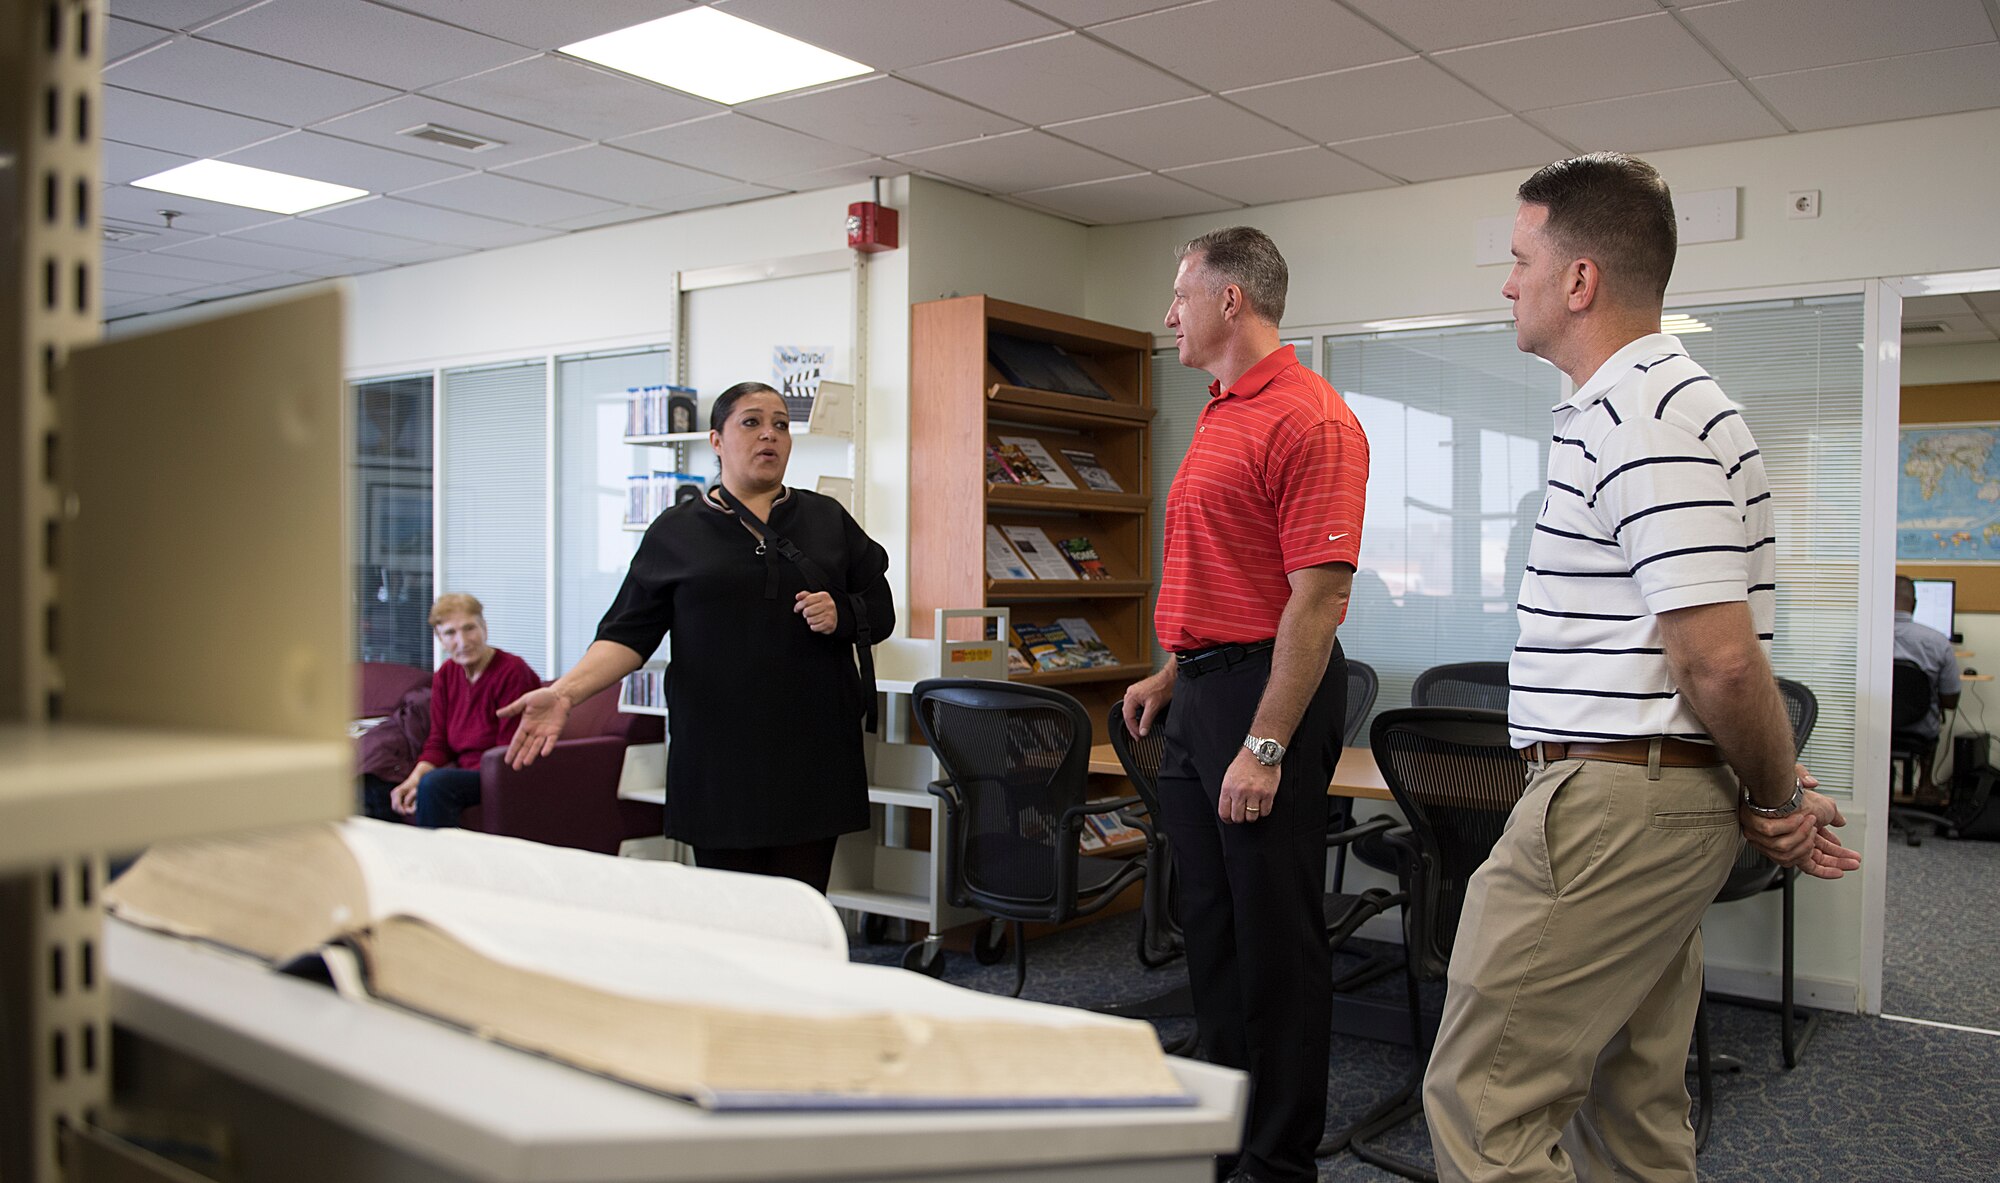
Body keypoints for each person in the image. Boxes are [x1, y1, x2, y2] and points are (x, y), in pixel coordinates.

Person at [1421, 152, 1863, 1182]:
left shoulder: (1641, 416)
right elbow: (1693, 662)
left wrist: (1773, 791)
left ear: (1578, 280)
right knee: (1629, 1107)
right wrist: (1771, 787)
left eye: (1519, 258)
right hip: (1642, 797)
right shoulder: (1642, 408)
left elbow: (1715, 660)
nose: (1505, 281)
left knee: (1481, 1108)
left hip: (1609, 808)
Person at [1121, 226, 1368, 1183]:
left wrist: (1264, 746)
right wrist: (1173, 669)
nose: (1169, 314)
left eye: (1180, 294)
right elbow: (1235, 574)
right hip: (1206, 691)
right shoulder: (1221, 409)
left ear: (1232, 301)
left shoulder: (1312, 418)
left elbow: (1315, 599)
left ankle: (1278, 1160)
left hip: (1267, 700)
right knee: (1211, 928)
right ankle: (1221, 1135)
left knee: (1277, 941)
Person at [501, 382, 893, 893]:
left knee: (802, 907)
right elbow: (627, 633)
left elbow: (878, 610)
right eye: (751, 422)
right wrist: (564, 693)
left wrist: (841, 611)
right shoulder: (675, 532)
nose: (769, 434)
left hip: (812, 753)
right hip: (718, 760)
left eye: (780, 424)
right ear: (716, 440)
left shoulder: (826, 519)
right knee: (731, 914)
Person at [389, 594, 541, 828]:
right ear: (440, 638)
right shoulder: (446, 675)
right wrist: (413, 780)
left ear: (484, 628)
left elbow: (509, 751)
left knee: (435, 784)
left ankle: (441, 862)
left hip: (503, 772)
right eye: (450, 633)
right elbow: (438, 744)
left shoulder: (513, 671)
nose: (462, 641)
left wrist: (428, 780)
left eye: (470, 628)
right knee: (384, 786)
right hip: (464, 772)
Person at [1893, 573, 1961, 796]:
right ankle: (1925, 784)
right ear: (1914, 604)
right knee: (1932, 716)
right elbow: (1950, 700)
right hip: (1918, 729)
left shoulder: (1862, 636)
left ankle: (1884, 784)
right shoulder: (1937, 641)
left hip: (1874, 726)